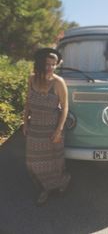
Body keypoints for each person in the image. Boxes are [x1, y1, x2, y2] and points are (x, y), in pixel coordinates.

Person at [23, 48, 71, 206]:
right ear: (40, 63)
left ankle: (54, 186)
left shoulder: (59, 83)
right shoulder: (32, 79)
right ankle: (47, 186)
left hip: (52, 128)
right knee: (32, 162)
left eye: (53, 64)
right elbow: (28, 101)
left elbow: (64, 108)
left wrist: (58, 131)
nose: (50, 67)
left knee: (54, 163)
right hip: (35, 126)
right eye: (47, 63)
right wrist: (25, 121)